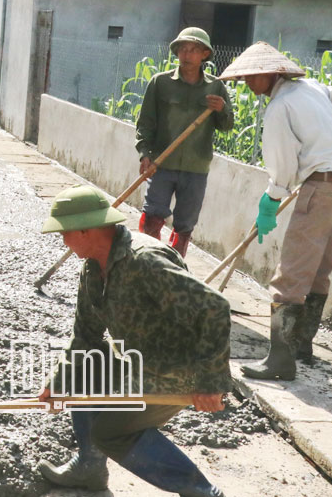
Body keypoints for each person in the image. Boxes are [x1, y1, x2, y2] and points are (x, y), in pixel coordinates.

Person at [36, 185, 231, 496]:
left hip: (180, 367)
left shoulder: (145, 261)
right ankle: (89, 467)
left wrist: (211, 382)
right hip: (140, 358)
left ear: (87, 231)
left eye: (65, 233)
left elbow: (214, 308)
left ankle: (202, 491)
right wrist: (58, 382)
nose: (64, 241)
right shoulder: (93, 270)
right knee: (88, 364)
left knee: (110, 432)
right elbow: (85, 336)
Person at [218, 42, 332, 381]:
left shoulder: (279, 107)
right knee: (319, 267)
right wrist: (327, 139)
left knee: (291, 272)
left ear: (272, 73)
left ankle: (280, 360)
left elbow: (280, 169)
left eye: (254, 77)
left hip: (318, 186)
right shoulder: (312, 88)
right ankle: (301, 347)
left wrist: (271, 201)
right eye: (246, 78)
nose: (250, 84)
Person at [135, 27, 235, 257]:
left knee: (185, 224)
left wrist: (222, 109)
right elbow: (146, 123)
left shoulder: (216, 87)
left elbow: (227, 126)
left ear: (204, 55)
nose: (187, 55)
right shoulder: (160, 83)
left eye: (193, 50)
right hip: (161, 163)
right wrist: (145, 153)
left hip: (196, 168)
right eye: (183, 50)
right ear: (177, 53)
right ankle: (145, 262)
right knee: (152, 216)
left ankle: (174, 266)